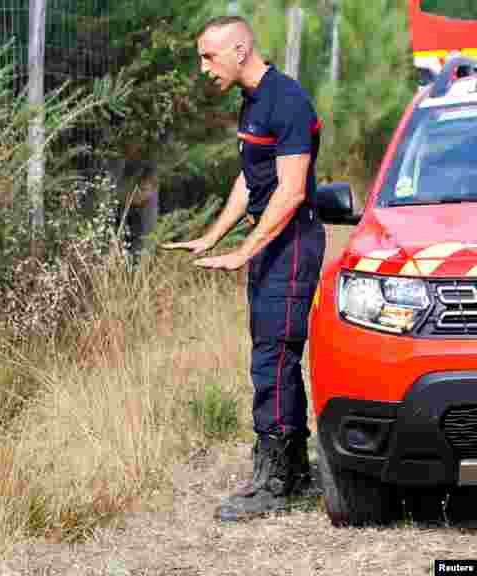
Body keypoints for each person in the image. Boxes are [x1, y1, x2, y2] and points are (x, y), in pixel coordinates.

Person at [162, 15, 325, 521]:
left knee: (274, 357)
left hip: (292, 242)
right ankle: (291, 468)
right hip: (270, 244)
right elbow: (250, 179)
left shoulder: (288, 99)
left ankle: (277, 482)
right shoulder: (253, 102)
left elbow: (292, 190)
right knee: (270, 354)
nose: (202, 67)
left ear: (239, 50)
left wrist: (245, 251)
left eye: (209, 57)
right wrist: (213, 236)